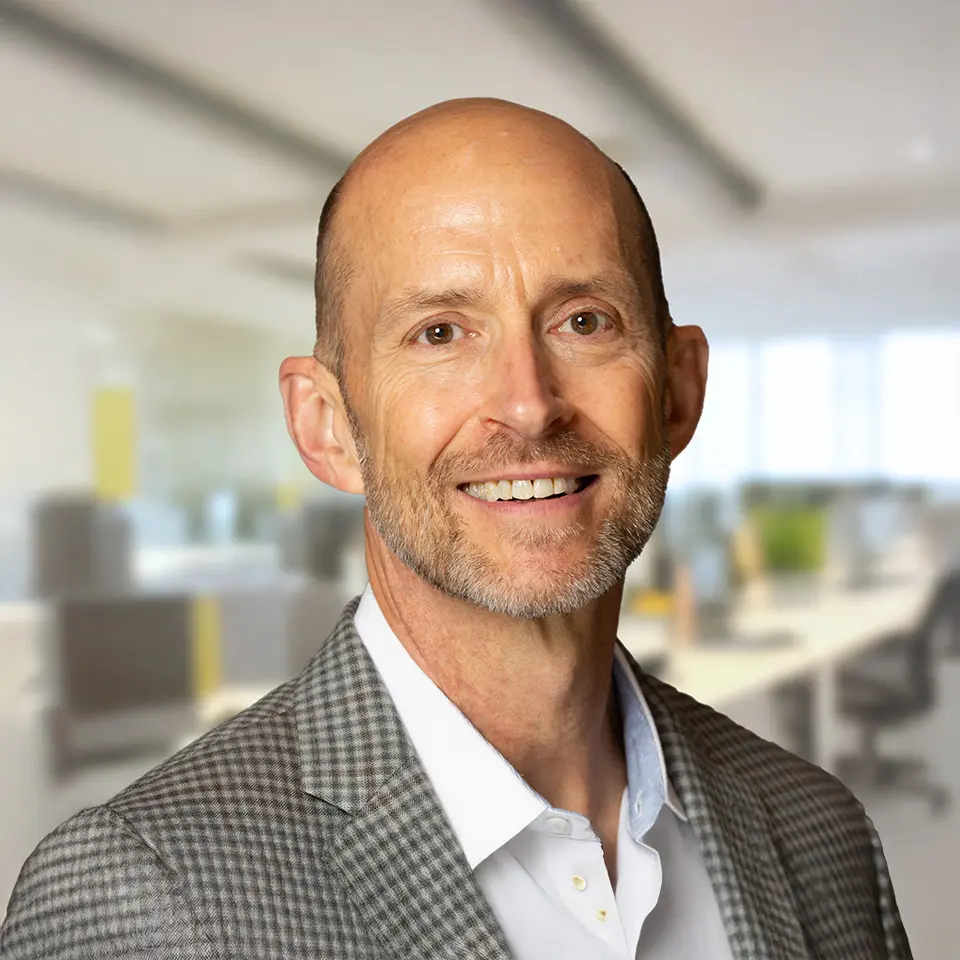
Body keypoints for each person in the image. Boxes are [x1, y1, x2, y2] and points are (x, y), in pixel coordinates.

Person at [1, 99, 910, 960]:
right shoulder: (146, 896)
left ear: (677, 390)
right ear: (327, 426)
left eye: (584, 321)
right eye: (440, 333)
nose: (527, 403)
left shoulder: (819, 833)